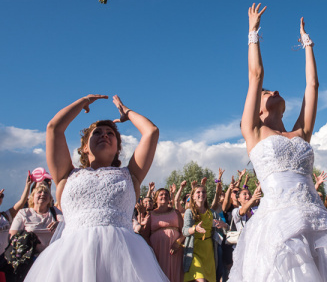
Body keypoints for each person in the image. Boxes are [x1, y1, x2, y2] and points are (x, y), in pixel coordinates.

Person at [232, 3, 327, 281]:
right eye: (268, 92)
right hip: (278, 224)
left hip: (316, 220)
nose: (275, 91)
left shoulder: (301, 133)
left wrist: (308, 45)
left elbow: (313, 87)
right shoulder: (253, 130)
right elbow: (256, 76)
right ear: (257, 108)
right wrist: (253, 32)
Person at [24, 94, 169, 281]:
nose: (104, 135)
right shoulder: (67, 175)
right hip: (72, 259)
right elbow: (54, 128)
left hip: (123, 258)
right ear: (85, 147)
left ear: (118, 148)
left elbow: (151, 131)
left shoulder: (130, 174)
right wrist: (81, 103)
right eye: (97, 133)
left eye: (110, 134)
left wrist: (127, 112)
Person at [141, 188, 184, 282]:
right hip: (157, 250)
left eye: (166, 195)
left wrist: (177, 242)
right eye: (161, 194)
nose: (164, 196)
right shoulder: (151, 214)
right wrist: (151, 250)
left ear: (169, 198)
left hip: (175, 250)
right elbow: (145, 235)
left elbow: (184, 231)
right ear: (156, 198)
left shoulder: (176, 212)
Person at [182, 185, 217, 282]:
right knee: (200, 280)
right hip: (194, 249)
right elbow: (185, 231)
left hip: (208, 251)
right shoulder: (189, 212)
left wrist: (224, 225)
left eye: (203, 192)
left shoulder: (212, 213)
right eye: (198, 192)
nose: (201, 194)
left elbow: (222, 230)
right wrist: (195, 228)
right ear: (192, 196)